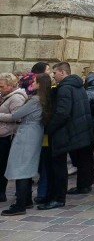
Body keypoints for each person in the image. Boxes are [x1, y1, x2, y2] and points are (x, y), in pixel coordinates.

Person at [39, 63, 93, 210]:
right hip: (74, 131)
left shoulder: (65, 88)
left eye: (55, 72)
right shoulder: (77, 85)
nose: (53, 75)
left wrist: (49, 129)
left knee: (57, 166)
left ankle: (58, 198)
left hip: (64, 132)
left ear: (62, 72)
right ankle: (53, 196)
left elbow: (63, 113)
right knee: (59, 165)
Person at [0, 73, 51, 216]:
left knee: (21, 167)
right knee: (26, 167)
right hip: (35, 132)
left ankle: (20, 204)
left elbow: (16, 115)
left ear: (40, 84)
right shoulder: (43, 99)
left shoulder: (35, 100)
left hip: (27, 134)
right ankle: (26, 199)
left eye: (35, 81)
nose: (32, 83)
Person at [0, 73, 27, 203]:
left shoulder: (16, 98)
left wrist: (0, 115)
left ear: (10, 85)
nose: (0, 88)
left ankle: (1, 193)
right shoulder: (5, 96)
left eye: (2, 86)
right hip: (4, 134)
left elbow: (18, 116)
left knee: (2, 165)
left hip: (7, 136)